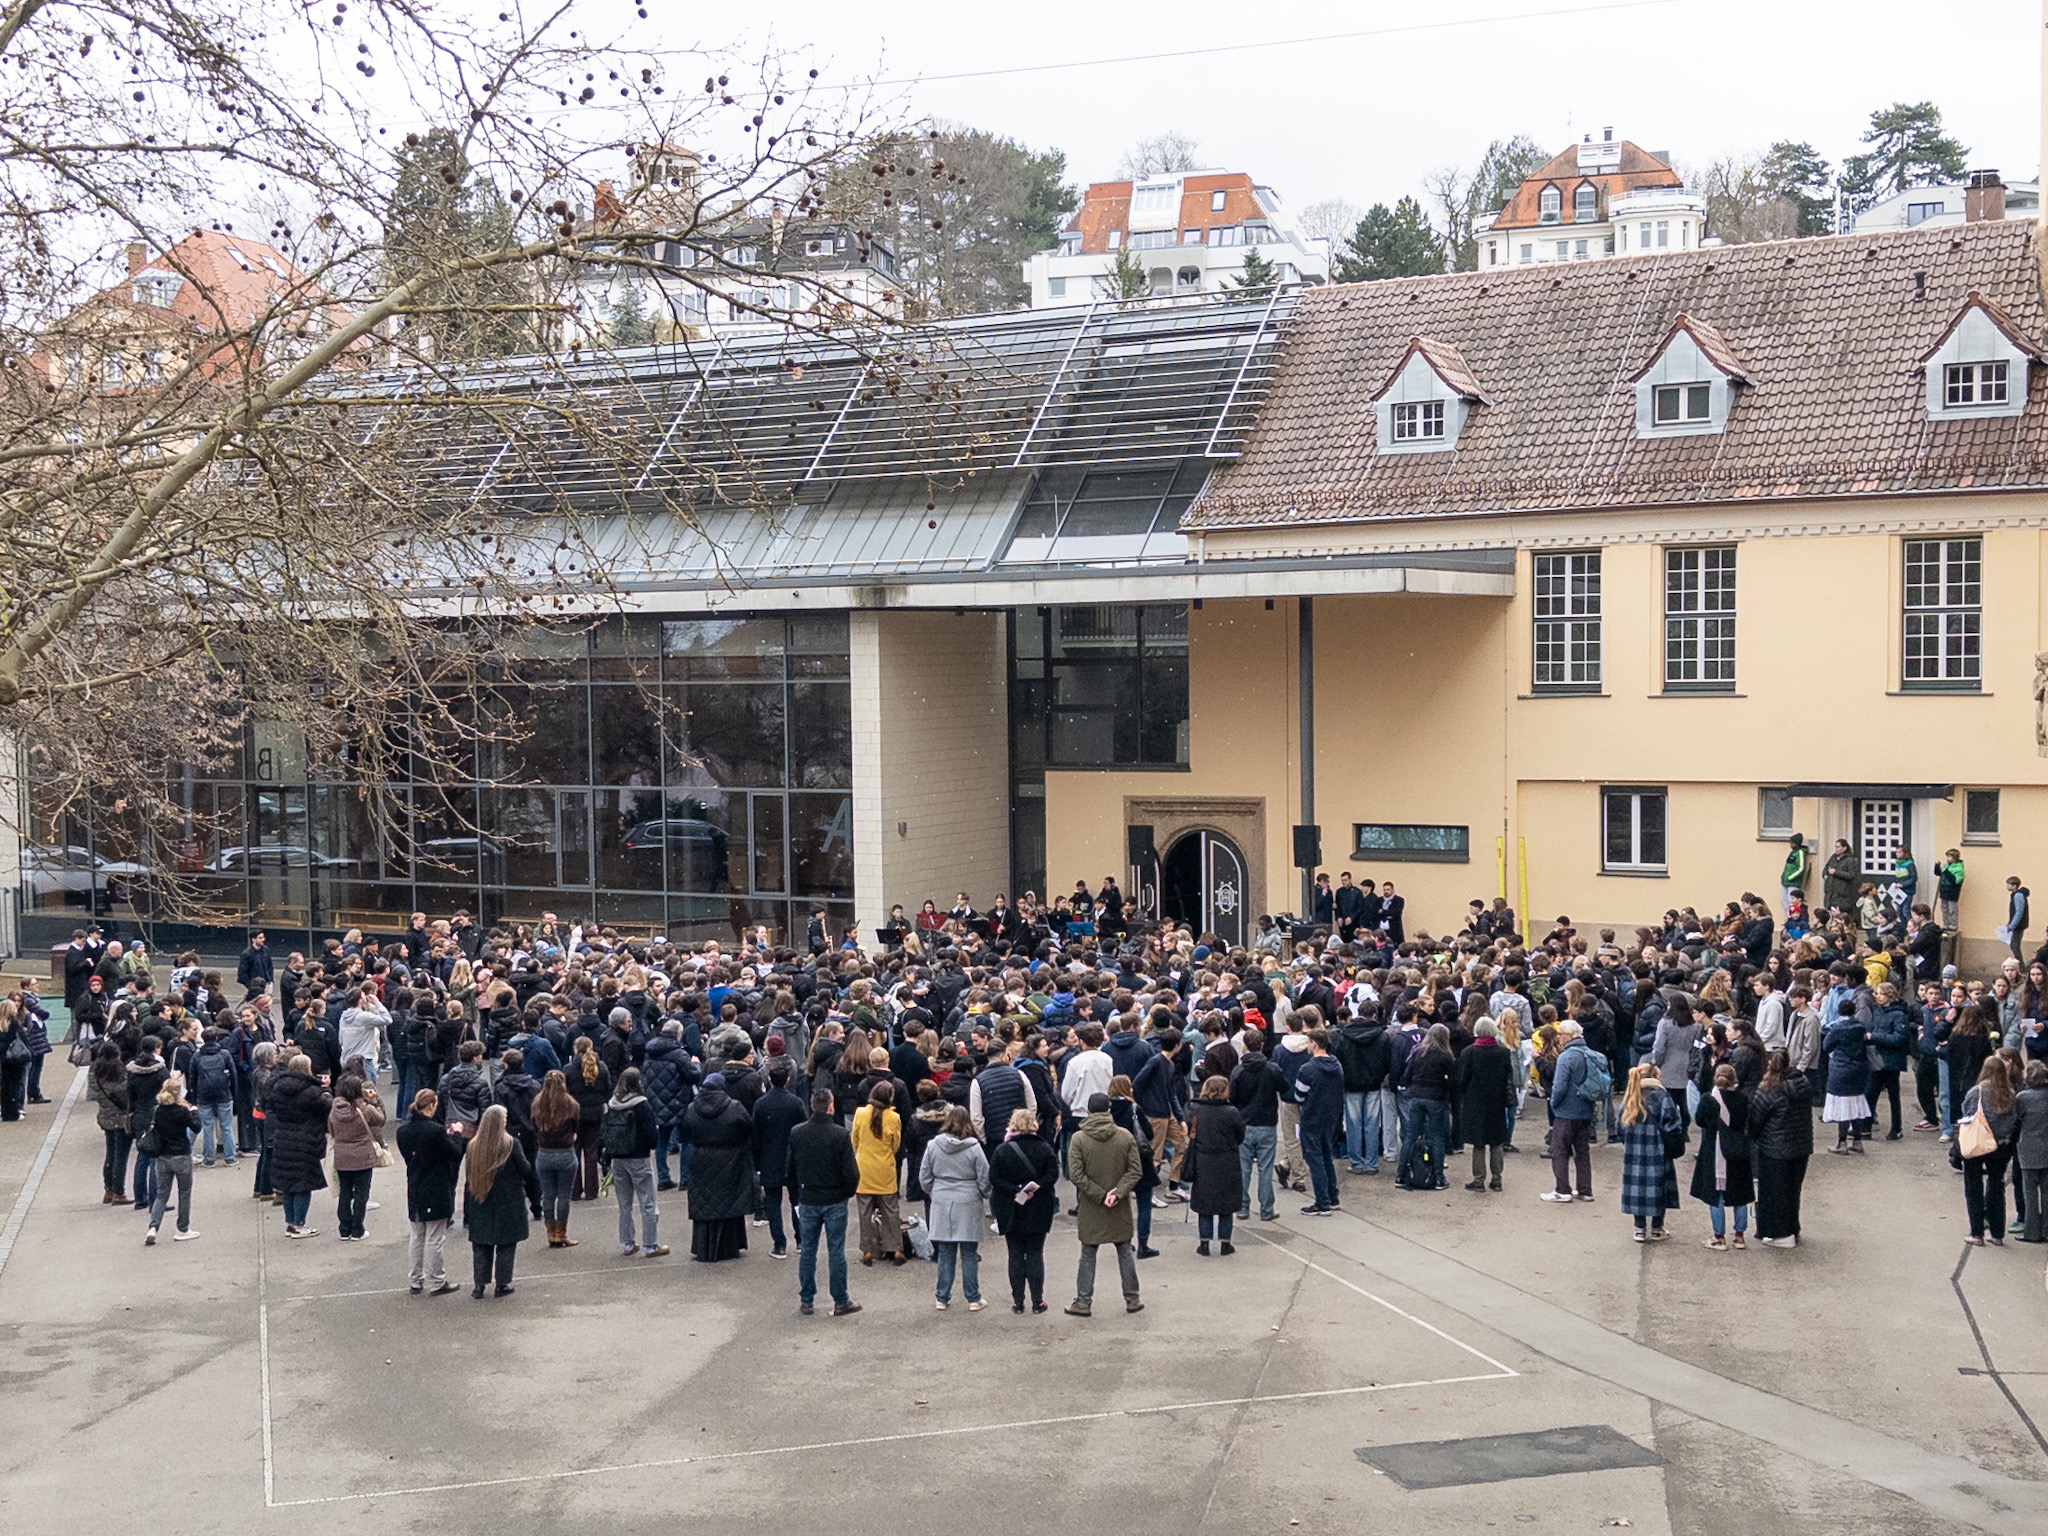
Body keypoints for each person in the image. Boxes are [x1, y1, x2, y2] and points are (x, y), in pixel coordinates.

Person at [1065, 1092, 1143, 1317]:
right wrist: (1117, 1194)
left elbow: (1076, 1175)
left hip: (1091, 1205)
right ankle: (1132, 1298)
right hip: (1119, 1204)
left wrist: (1099, 1195)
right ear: (1109, 1110)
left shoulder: (1079, 1139)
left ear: (1088, 1111)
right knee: (1124, 1251)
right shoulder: (1124, 1136)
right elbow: (1135, 1170)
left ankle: (1083, 1301)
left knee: (1088, 1252)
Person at [787, 1087, 862, 1316]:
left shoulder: (797, 1133)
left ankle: (807, 1298)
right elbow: (850, 1171)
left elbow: (790, 1169)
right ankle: (840, 1299)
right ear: (830, 1107)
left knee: (808, 1249)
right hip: (834, 1198)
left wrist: (795, 1197)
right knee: (836, 1250)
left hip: (808, 1197)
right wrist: (848, 1192)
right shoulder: (839, 1134)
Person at [462, 1104, 543, 1297]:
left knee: (481, 1244)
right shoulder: (510, 1144)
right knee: (506, 1244)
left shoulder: (473, 1145)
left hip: (480, 1198)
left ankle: (479, 1285)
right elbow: (525, 1169)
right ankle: (502, 1283)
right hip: (508, 1200)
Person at [919, 1104, 991, 1310]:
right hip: (968, 1201)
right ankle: (973, 1298)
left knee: (946, 1252)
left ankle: (942, 1297)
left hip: (942, 1200)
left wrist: (935, 1191)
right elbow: (984, 1177)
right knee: (969, 1253)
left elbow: (924, 1177)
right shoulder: (974, 1148)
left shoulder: (933, 1145)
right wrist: (984, 1194)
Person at [989, 1107, 1059, 1313]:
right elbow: (1052, 1175)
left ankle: (1017, 1301)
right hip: (1039, 1205)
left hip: (1011, 1207)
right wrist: (1034, 1187)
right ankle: (1038, 1300)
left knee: (1016, 1253)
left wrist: (1016, 1189)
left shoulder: (1002, 1150)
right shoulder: (1045, 1148)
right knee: (1036, 1252)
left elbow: (994, 1178)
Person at [396, 1088, 466, 1295]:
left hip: (415, 1184)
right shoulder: (434, 1130)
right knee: (435, 1236)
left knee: (417, 1235)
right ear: (431, 1106)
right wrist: (457, 1135)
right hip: (435, 1185)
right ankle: (437, 1280)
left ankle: (416, 1280)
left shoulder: (403, 1131)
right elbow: (454, 1153)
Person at [683, 1071, 755, 1262]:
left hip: (701, 1159)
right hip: (730, 1159)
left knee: (704, 1200)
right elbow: (748, 1129)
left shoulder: (692, 1108)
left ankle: (704, 1247)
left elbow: (687, 1131)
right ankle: (729, 1246)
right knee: (728, 1201)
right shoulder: (735, 1107)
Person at [1746, 1051, 1813, 1249]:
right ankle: (1792, 1228)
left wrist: (1754, 1138)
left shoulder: (1768, 1090)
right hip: (1801, 1147)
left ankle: (1780, 1233)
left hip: (1774, 1148)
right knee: (1793, 1190)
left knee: (1774, 1193)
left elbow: (1756, 1121)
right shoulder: (1803, 1085)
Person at [603, 1066, 665, 1258]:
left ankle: (628, 1243)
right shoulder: (642, 1104)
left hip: (618, 1158)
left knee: (624, 1203)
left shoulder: (611, 1104)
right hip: (639, 1157)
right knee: (647, 1201)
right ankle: (651, 1245)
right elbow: (651, 1134)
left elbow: (604, 1132)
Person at [268, 1054, 332, 1238]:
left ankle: (290, 1222)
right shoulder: (313, 1092)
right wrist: (327, 1090)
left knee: (288, 1184)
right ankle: (299, 1224)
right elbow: (328, 1108)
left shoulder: (277, 1088)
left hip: (283, 1138)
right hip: (306, 1140)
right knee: (303, 1185)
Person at [1690, 1063, 1753, 1250]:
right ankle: (1740, 1236)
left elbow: (1700, 1120)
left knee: (1716, 1193)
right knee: (1740, 1193)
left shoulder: (1708, 1099)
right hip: (1737, 1149)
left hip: (1714, 1150)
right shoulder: (1742, 1099)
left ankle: (1719, 1236)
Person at [1617, 1063, 1682, 1243]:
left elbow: (1619, 1128)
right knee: (1658, 1188)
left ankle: (1639, 1228)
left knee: (1637, 1187)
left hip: (1634, 1153)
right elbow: (1673, 1125)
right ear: (1655, 1076)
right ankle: (1657, 1228)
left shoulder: (1630, 1097)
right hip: (1658, 1151)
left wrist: (1630, 1143)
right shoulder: (1662, 1096)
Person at [1958, 1056, 2019, 1246]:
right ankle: (1997, 1233)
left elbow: (1966, 1112)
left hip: (1978, 1142)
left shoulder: (1977, 1091)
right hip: (2000, 1145)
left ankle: (1977, 1233)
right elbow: (2013, 1119)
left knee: (1974, 1185)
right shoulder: (2010, 1093)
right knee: (1996, 1185)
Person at [1543, 1021, 1605, 1203]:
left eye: (1561, 1034)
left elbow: (1559, 1087)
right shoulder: (1591, 1054)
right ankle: (1585, 1190)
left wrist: (1554, 1104)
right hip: (1586, 1109)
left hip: (1566, 1111)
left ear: (1570, 1036)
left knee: (1559, 1150)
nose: (1559, 1037)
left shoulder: (1566, 1057)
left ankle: (1562, 1190)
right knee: (1582, 1151)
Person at [1454, 1017, 1516, 1193]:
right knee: (1496, 1141)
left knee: (1478, 1142)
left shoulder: (1468, 1053)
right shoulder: (1503, 1053)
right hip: (1496, 1101)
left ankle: (1478, 1179)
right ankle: (1497, 1179)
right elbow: (1508, 1077)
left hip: (1475, 1102)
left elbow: (1461, 1079)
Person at [1229, 1039, 1287, 1221]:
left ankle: (1242, 1208)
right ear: (1262, 1045)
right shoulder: (1272, 1069)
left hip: (1244, 1124)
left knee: (1243, 1168)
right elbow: (1285, 1088)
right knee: (1265, 1168)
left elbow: (1232, 1097)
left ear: (1245, 1046)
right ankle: (1267, 1209)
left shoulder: (1238, 1071)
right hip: (1267, 1123)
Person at [1187, 1074, 1245, 1255]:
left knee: (1205, 1203)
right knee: (1226, 1204)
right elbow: (1240, 1136)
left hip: (1203, 1160)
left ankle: (1204, 1243)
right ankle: (1225, 1243)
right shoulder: (1231, 1112)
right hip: (1227, 1160)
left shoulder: (1195, 1110)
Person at [848, 1079, 903, 1267]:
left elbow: (854, 1141)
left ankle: (868, 1251)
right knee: (891, 1210)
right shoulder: (893, 1118)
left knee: (865, 1212)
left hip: (864, 1167)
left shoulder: (860, 1113)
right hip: (885, 1168)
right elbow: (895, 1144)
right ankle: (895, 1248)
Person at [1393, 1023, 1451, 1195]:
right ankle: (1439, 1177)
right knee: (1437, 1137)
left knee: (1410, 1136)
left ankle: (1401, 1175)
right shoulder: (1446, 1056)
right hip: (1436, 1098)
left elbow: (1407, 1075)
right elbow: (1451, 1079)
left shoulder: (1418, 1052)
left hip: (1416, 1096)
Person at [327, 1075, 387, 1242]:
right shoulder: (366, 1109)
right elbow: (380, 1120)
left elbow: (331, 1130)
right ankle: (357, 1229)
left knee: (344, 1192)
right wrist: (375, 1102)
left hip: (342, 1155)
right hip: (362, 1155)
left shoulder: (335, 1108)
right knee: (361, 1193)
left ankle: (344, 1229)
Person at [144, 1073, 201, 1245]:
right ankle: (182, 1229)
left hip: (162, 1156)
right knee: (184, 1193)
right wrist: (194, 1113)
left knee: (162, 1195)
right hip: (181, 1155)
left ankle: (153, 1227)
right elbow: (196, 1127)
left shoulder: (157, 1111)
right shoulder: (182, 1111)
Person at [1296, 1028, 1347, 1212]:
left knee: (1315, 1159)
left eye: (1308, 1042)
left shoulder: (1307, 1069)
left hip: (1312, 1117)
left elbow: (1299, 1096)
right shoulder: (1337, 1065)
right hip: (1331, 1117)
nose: (1307, 1046)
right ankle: (1333, 1197)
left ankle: (1322, 1202)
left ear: (1315, 1044)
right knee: (1327, 1157)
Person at [530, 1070, 582, 1249]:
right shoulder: (571, 1104)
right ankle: (562, 1233)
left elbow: (534, 1128)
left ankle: (551, 1234)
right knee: (564, 1196)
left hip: (544, 1153)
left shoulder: (537, 1103)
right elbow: (576, 1126)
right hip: (565, 1152)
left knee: (548, 1195)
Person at [1820, 1000, 1873, 1154]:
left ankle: (1841, 1142)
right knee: (1856, 1104)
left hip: (1841, 1069)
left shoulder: (1837, 1028)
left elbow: (1826, 1046)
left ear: (1839, 1011)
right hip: (1859, 1069)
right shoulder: (1860, 1027)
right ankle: (1857, 1141)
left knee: (1843, 1107)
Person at [2012, 1062, 2048, 1244]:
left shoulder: (2023, 1098)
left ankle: (2032, 1231)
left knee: (2030, 1193)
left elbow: (2016, 1120)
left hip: (2028, 1148)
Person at [93, 1044, 133, 1205]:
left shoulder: (96, 1072)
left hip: (105, 1116)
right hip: (120, 1118)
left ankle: (108, 1189)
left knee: (110, 1153)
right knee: (121, 1156)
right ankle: (119, 1192)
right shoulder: (115, 1072)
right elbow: (123, 1093)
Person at [1822, 838, 1859, 915]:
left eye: (1838, 847)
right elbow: (1826, 868)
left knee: (1841, 916)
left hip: (1843, 894)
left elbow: (1851, 875)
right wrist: (1825, 875)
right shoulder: (1833, 857)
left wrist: (1836, 872)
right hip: (1831, 893)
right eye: (1835, 846)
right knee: (1833, 915)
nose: (1836, 849)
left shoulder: (1850, 860)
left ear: (1844, 848)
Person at [1780, 833, 1810, 916]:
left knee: (1791, 901)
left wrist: (1790, 877)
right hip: (1786, 881)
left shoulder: (1800, 852)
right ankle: (1788, 917)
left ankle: (1792, 917)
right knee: (1784, 901)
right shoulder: (1793, 853)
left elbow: (1801, 868)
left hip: (1793, 882)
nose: (1790, 845)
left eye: (1791, 843)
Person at [2005, 876, 2031, 964]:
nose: (2007, 886)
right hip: (2018, 924)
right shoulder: (2016, 895)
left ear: (2014, 885)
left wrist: (2012, 925)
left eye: (2008, 884)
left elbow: (2019, 912)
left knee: (2015, 945)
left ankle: (2021, 966)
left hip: (2019, 925)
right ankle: (2020, 965)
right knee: (2014, 945)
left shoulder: (2018, 895)